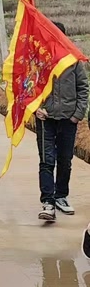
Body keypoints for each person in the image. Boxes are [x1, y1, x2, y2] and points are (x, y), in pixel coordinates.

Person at [35, 22, 89, 223]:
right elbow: (29, 87)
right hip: (45, 119)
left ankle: (61, 196)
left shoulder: (74, 61)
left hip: (68, 119)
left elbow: (83, 88)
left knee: (65, 160)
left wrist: (77, 114)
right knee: (46, 161)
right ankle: (48, 202)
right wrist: (36, 107)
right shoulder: (39, 60)